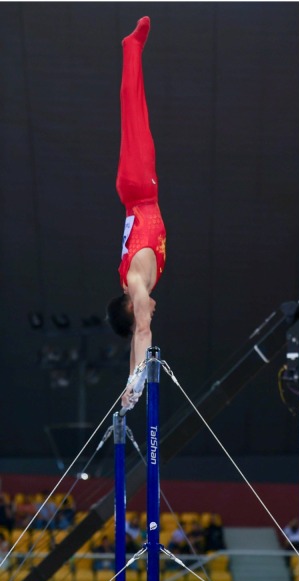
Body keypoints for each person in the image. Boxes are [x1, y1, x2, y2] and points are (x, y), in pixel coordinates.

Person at [105, 17, 165, 411]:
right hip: (143, 190)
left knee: (133, 109)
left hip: (138, 191)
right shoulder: (136, 287)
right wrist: (129, 387)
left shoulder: (137, 284)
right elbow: (136, 339)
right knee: (136, 112)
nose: (147, 312)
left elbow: (142, 333)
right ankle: (133, 49)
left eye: (140, 313)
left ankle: (132, 46)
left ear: (131, 306)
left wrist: (139, 386)